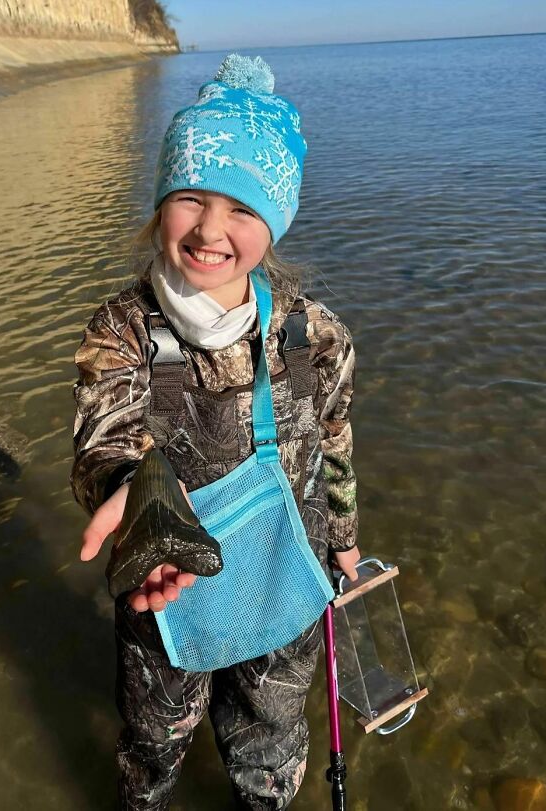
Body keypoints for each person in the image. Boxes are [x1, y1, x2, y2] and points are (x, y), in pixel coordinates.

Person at [71, 53, 361, 811]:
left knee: (271, 733)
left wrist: (345, 540)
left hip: (284, 574)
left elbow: (334, 438)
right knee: (153, 737)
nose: (209, 229)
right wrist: (134, 494)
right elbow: (105, 438)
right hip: (164, 582)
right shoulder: (124, 329)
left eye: (241, 209)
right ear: (160, 203)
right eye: (191, 198)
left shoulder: (314, 335)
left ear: (276, 221)